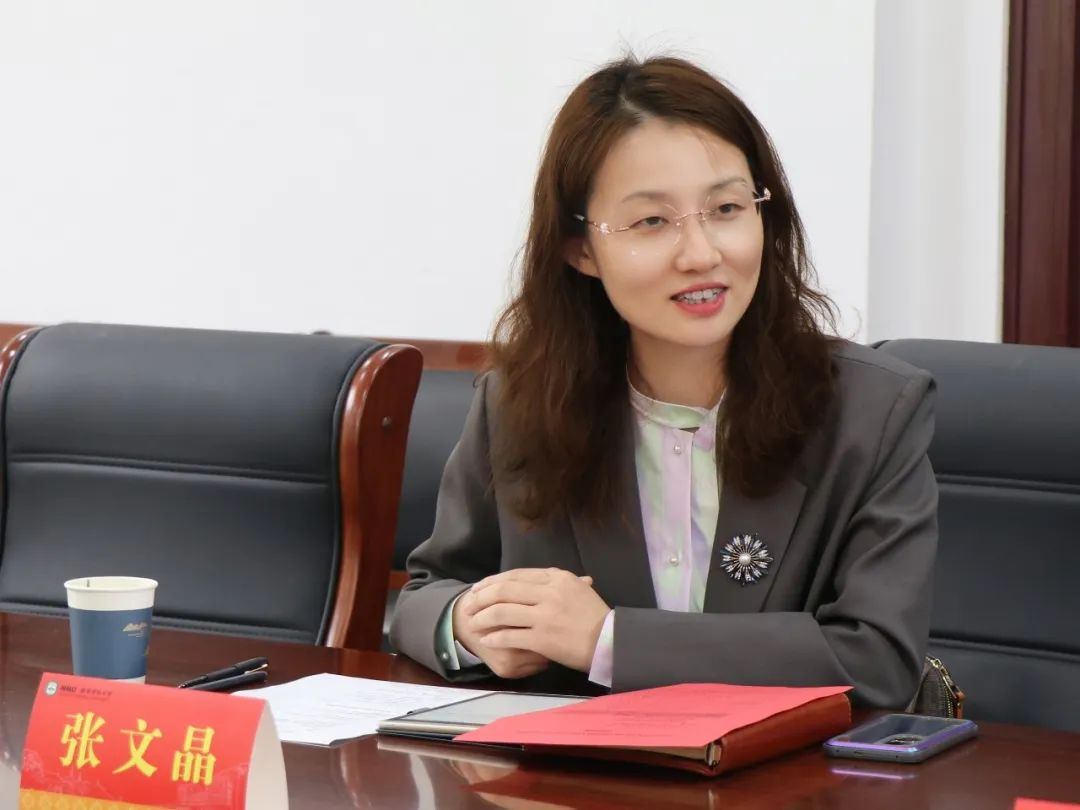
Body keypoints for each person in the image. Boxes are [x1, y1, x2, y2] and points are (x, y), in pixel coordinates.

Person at [389, 55, 937, 708]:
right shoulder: (520, 403)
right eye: (652, 221)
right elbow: (427, 594)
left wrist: (608, 641)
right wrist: (471, 626)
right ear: (580, 249)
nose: (702, 253)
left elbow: (877, 661)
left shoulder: (873, 413)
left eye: (726, 208)